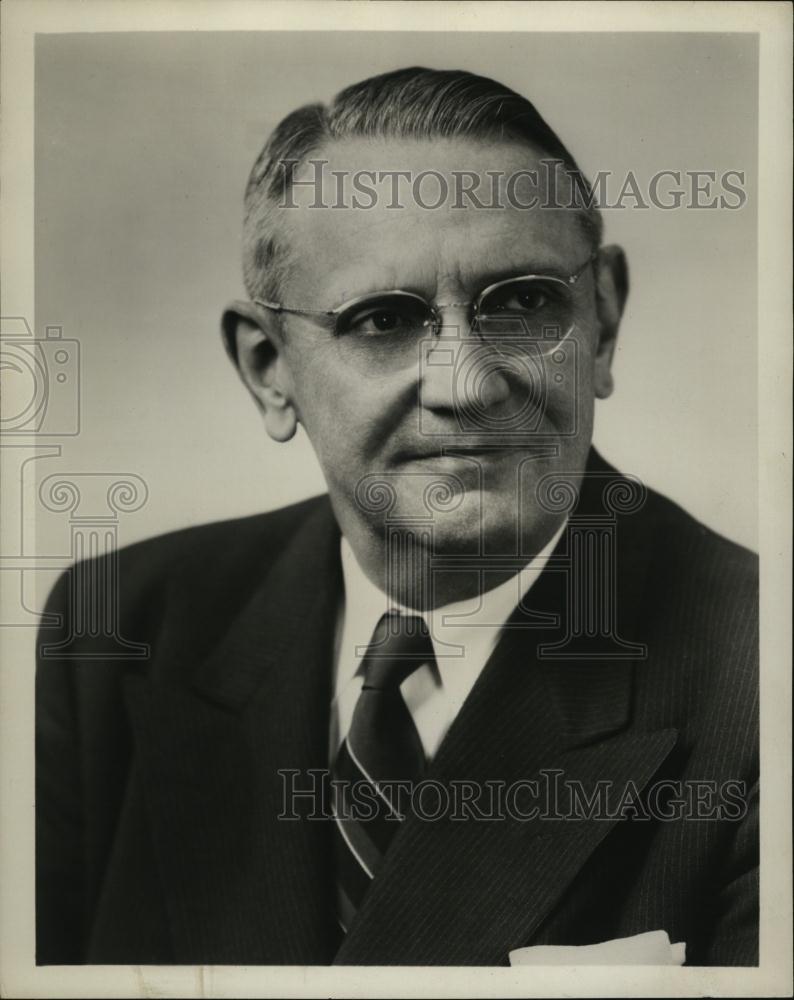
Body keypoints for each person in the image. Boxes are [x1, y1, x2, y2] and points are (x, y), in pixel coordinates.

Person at [36, 67, 758, 967]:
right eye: (384, 321)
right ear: (269, 368)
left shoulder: (762, 674)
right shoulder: (116, 630)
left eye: (526, 302)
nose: (468, 385)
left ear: (602, 319)